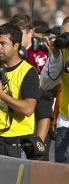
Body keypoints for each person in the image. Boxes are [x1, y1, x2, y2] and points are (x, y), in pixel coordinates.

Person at [0, 23, 43, 160]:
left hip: (15, 144)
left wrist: (0, 94)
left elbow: (28, 109)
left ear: (16, 46)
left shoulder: (28, 72)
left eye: (3, 43)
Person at [10, 14, 53, 151]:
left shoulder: (38, 53)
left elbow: (47, 81)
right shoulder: (14, 51)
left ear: (30, 32)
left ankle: (39, 146)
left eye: (20, 33)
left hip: (39, 99)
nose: (17, 37)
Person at [40, 16, 69, 163]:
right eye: (63, 34)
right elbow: (46, 84)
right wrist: (56, 56)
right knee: (62, 173)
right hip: (65, 121)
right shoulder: (62, 52)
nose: (65, 39)